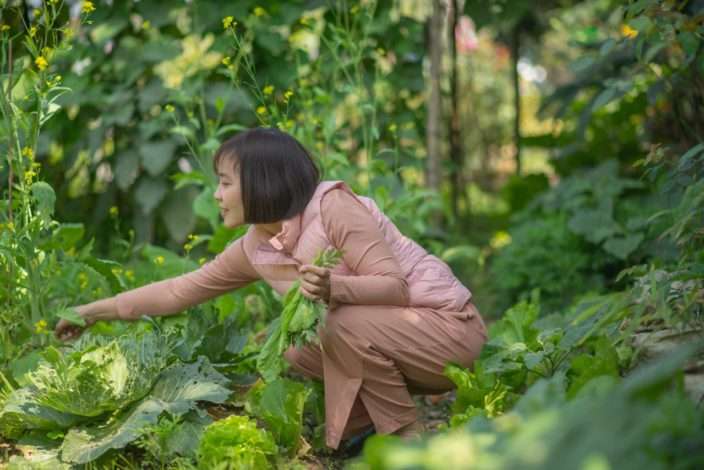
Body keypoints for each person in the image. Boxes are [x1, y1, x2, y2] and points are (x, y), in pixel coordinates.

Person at [55, 127, 488, 450]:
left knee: (339, 320)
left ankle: (406, 440)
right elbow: (178, 291)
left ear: (262, 182)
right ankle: (365, 427)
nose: (217, 194)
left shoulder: (333, 206)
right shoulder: (256, 246)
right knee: (293, 345)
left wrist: (335, 287)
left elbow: (393, 287)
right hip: (394, 340)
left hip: (448, 333)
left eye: (225, 182)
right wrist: (91, 311)